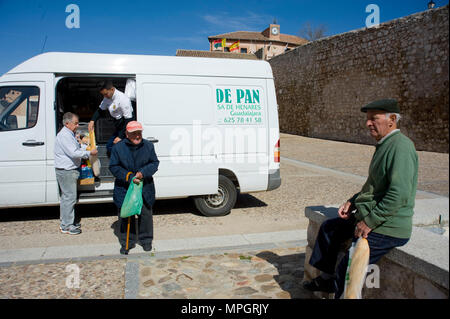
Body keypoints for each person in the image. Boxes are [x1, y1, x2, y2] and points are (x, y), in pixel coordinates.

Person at [303, 99, 418, 298]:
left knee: (347, 271)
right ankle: (326, 279)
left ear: (392, 120)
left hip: (388, 227)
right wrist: (353, 201)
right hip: (372, 217)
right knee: (330, 229)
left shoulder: (401, 147)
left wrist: (369, 222)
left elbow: (399, 193)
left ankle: (337, 286)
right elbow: (374, 185)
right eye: (367, 119)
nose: (368, 124)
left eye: (374, 119)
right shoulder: (385, 144)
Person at [109, 121, 159, 255]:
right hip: (125, 188)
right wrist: (129, 176)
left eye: (139, 133)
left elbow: (154, 163)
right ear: (127, 134)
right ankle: (127, 242)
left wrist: (143, 172)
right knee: (126, 215)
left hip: (145, 187)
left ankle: (146, 241)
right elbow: (113, 167)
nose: (137, 136)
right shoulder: (118, 148)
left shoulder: (148, 146)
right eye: (134, 133)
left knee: (145, 215)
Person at [54, 112, 98, 235]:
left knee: (67, 197)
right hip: (66, 170)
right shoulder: (64, 135)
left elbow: (77, 148)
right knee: (69, 198)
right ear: (67, 123)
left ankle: (67, 221)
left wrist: (87, 148)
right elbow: (73, 152)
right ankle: (67, 226)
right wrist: (90, 153)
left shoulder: (69, 134)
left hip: (67, 170)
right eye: (75, 123)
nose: (78, 125)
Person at [88, 80, 134, 156]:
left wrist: (120, 136)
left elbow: (128, 120)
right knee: (109, 146)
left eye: (106, 94)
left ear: (112, 89)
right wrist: (92, 121)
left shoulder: (123, 98)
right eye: (103, 95)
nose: (105, 96)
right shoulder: (107, 98)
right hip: (117, 123)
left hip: (125, 125)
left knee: (116, 147)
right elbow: (100, 110)